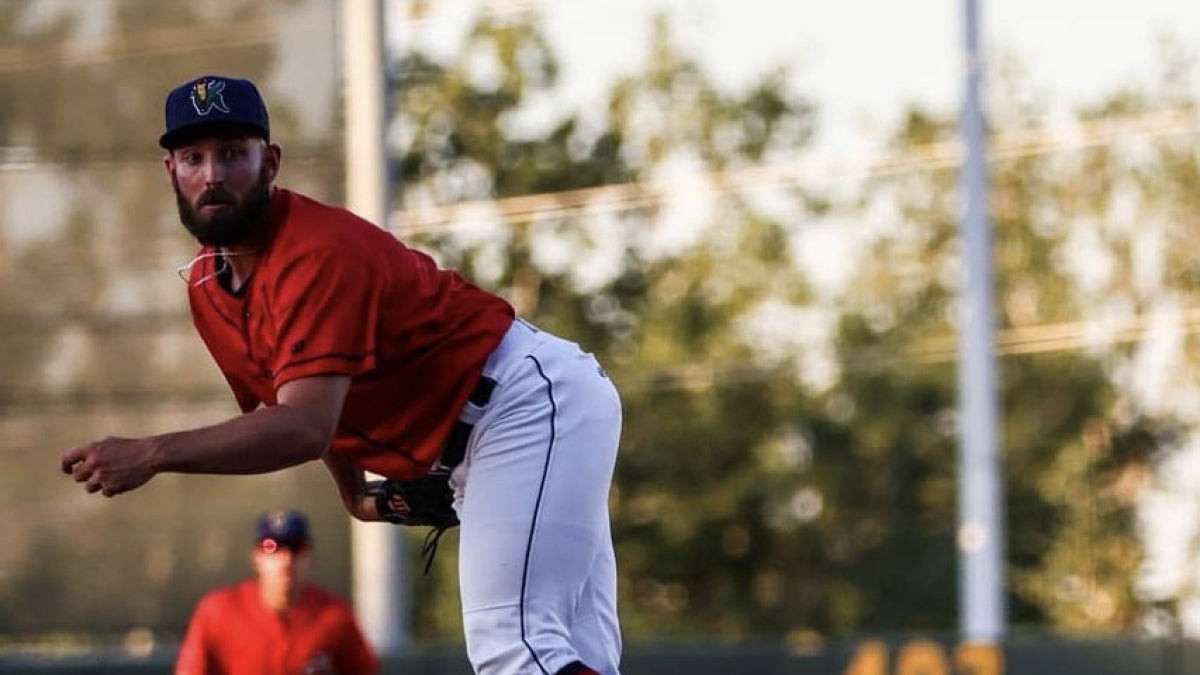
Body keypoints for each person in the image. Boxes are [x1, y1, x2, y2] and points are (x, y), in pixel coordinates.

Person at [59, 75, 623, 675]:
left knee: (515, 649)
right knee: (571, 656)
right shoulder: (206, 285)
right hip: (488, 434)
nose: (213, 175)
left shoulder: (316, 251)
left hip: (520, 403)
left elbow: (303, 426)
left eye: (232, 153)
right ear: (170, 170)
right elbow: (294, 399)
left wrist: (151, 452)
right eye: (194, 157)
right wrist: (355, 496)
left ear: (270, 162)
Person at [175, 509, 380, 675]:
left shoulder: (335, 615)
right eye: (272, 547)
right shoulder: (217, 611)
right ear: (256, 556)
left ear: (309, 555)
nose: (286, 558)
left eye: (295, 547)